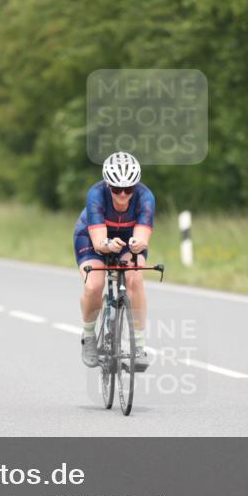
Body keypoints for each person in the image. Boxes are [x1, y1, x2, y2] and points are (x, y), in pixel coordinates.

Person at [73, 152, 154, 370]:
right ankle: (89, 336)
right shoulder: (96, 194)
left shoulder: (146, 197)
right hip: (91, 236)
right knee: (94, 285)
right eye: (117, 189)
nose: (122, 195)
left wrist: (138, 244)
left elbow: (143, 236)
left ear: (136, 186)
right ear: (108, 185)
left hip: (127, 239)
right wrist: (108, 245)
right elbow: (100, 242)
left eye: (128, 189)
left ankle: (138, 346)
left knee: (135, 280)